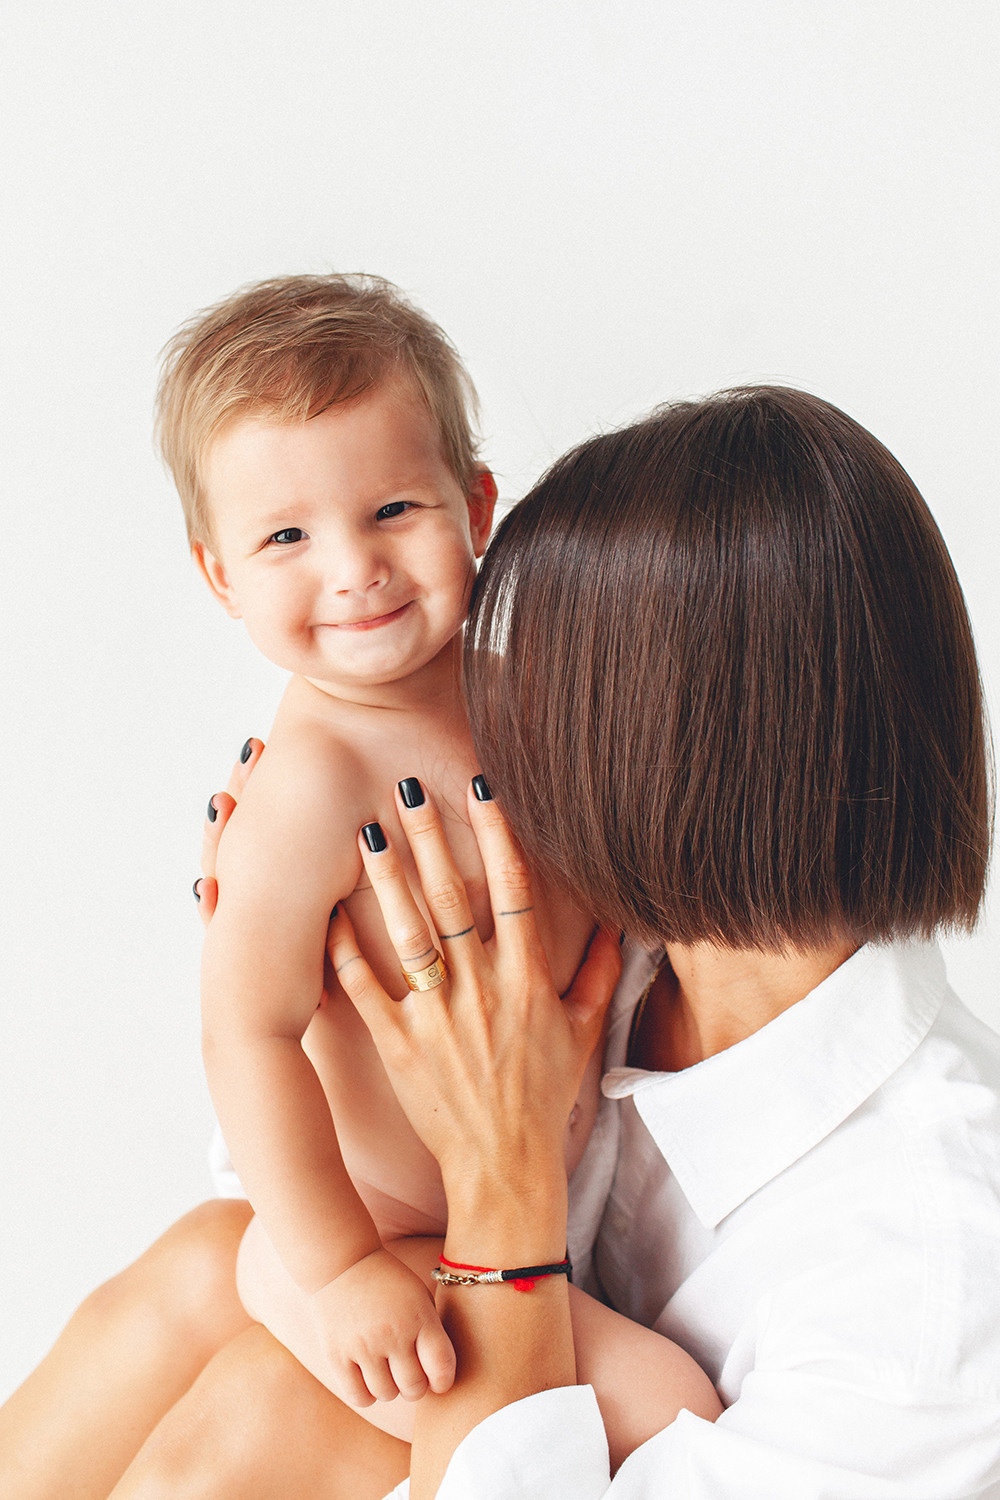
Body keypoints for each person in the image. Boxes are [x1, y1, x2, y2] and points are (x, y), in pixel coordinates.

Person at [0, 279, 718, 1499]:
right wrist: (336, 1271)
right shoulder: (312, 785)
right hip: (364, 1236)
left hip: (519, 1217)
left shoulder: (532, 698)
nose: (354, 570)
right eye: (286, 538)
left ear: (477, 506)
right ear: (219, 573)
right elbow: (247, 1028)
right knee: (675, 1409)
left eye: (393, 508)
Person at [328, 384, 999, 1497]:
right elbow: (273, 1213)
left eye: (528, 696)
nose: (481, 738)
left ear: (659, 743)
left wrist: (501, 1197)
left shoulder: (929, 1280)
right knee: (219, 1299)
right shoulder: (598, 973)